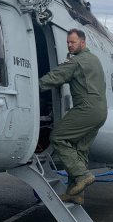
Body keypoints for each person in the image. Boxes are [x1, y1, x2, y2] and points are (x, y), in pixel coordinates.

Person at [39, 28, 108, 205]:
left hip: (86, 108)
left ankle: (83, 175)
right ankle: (75, 193)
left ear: (82, 43)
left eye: (73, 42)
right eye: (68, 42)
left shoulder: (76, 62)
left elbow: (55, 77)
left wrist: (32, 86)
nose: (69, 45)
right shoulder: (95, 60)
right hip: (101, 111)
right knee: (80, 150)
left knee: (58, 137)